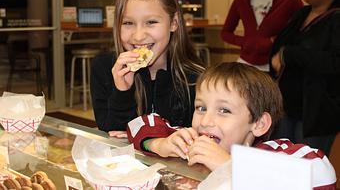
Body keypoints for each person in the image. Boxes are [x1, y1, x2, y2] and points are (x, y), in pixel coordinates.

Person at [127, 62, 336, 189]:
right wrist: (158, 143)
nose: (206, 121)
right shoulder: (190, 142)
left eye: (224, 110)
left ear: (259, 124)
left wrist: (230, 166)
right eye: (201, 108)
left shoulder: (276, 154)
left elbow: (322, 172)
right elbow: (140, 123)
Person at [90, 0, 205, 136]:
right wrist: (122, 91)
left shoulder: (195, 79)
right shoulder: (104, 67)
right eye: (128, 23)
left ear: (174, 23)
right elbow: (112, 134)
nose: (138, 36)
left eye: (151, 22)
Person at [270, 0, 340, 156]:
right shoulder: (301, 13)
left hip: (315, 113)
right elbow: (279, 47)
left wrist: (289, 54)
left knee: (308, 168)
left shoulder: (336, 18)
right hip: (287, 106)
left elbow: (334, 61)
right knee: (281, 163)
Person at [220, 0, 303, 72]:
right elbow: (225, 33)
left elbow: (301, 32)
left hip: (275, 66)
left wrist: (275, 41)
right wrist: (246, 42)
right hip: (245, 64)